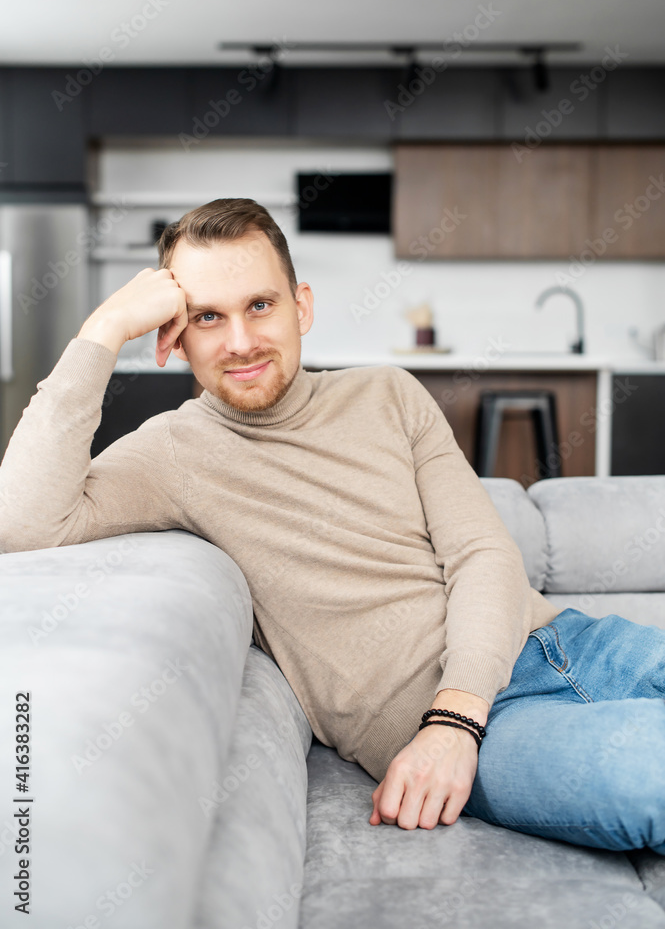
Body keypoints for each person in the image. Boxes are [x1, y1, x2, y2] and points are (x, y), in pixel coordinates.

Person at [1, 198, 663, 852]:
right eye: (207, 316)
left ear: (301, 307)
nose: (239, 342)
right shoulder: (171, 453)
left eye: (259, 305)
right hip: (495, 728)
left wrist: (458, 709)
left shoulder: (388, 393)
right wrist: (103, 330)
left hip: (568, 644)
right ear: (174, 335)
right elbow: (22, 524)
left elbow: (481, 553)